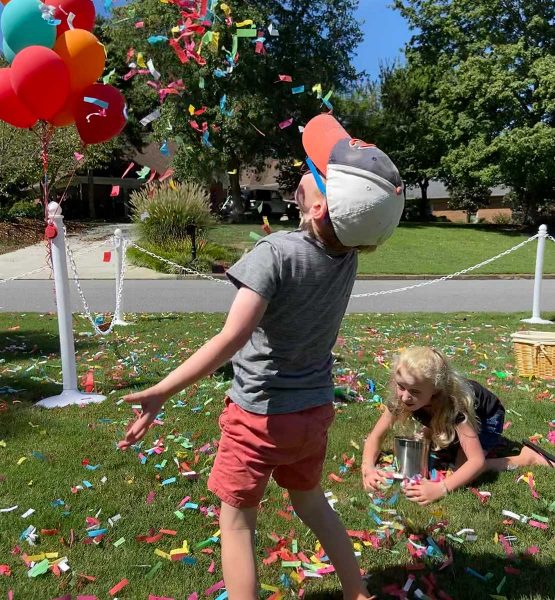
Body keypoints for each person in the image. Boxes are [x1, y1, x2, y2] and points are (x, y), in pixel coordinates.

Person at [118, 113, 404, 600]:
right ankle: (357, 593)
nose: (304, 171)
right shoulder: (348, 254)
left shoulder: (275, 253)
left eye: (314, 174)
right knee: (312, 503)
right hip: (313, 414)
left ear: (317, 207)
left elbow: (230, 340)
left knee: (236, 525)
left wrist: (163, 390)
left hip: (260, 417)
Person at [362, 346, 554, 506]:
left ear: (435, 391)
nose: (404, 396)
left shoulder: (453, 407)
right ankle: (435, 430)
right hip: (443, 413)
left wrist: (440, 488)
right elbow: (375, 437)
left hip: (487, 416)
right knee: (445, 451)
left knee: (463, 469)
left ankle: (526, 457)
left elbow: (476, 461)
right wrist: (368, 468)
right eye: (401, 386)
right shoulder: (405, 398)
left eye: (414, 391)